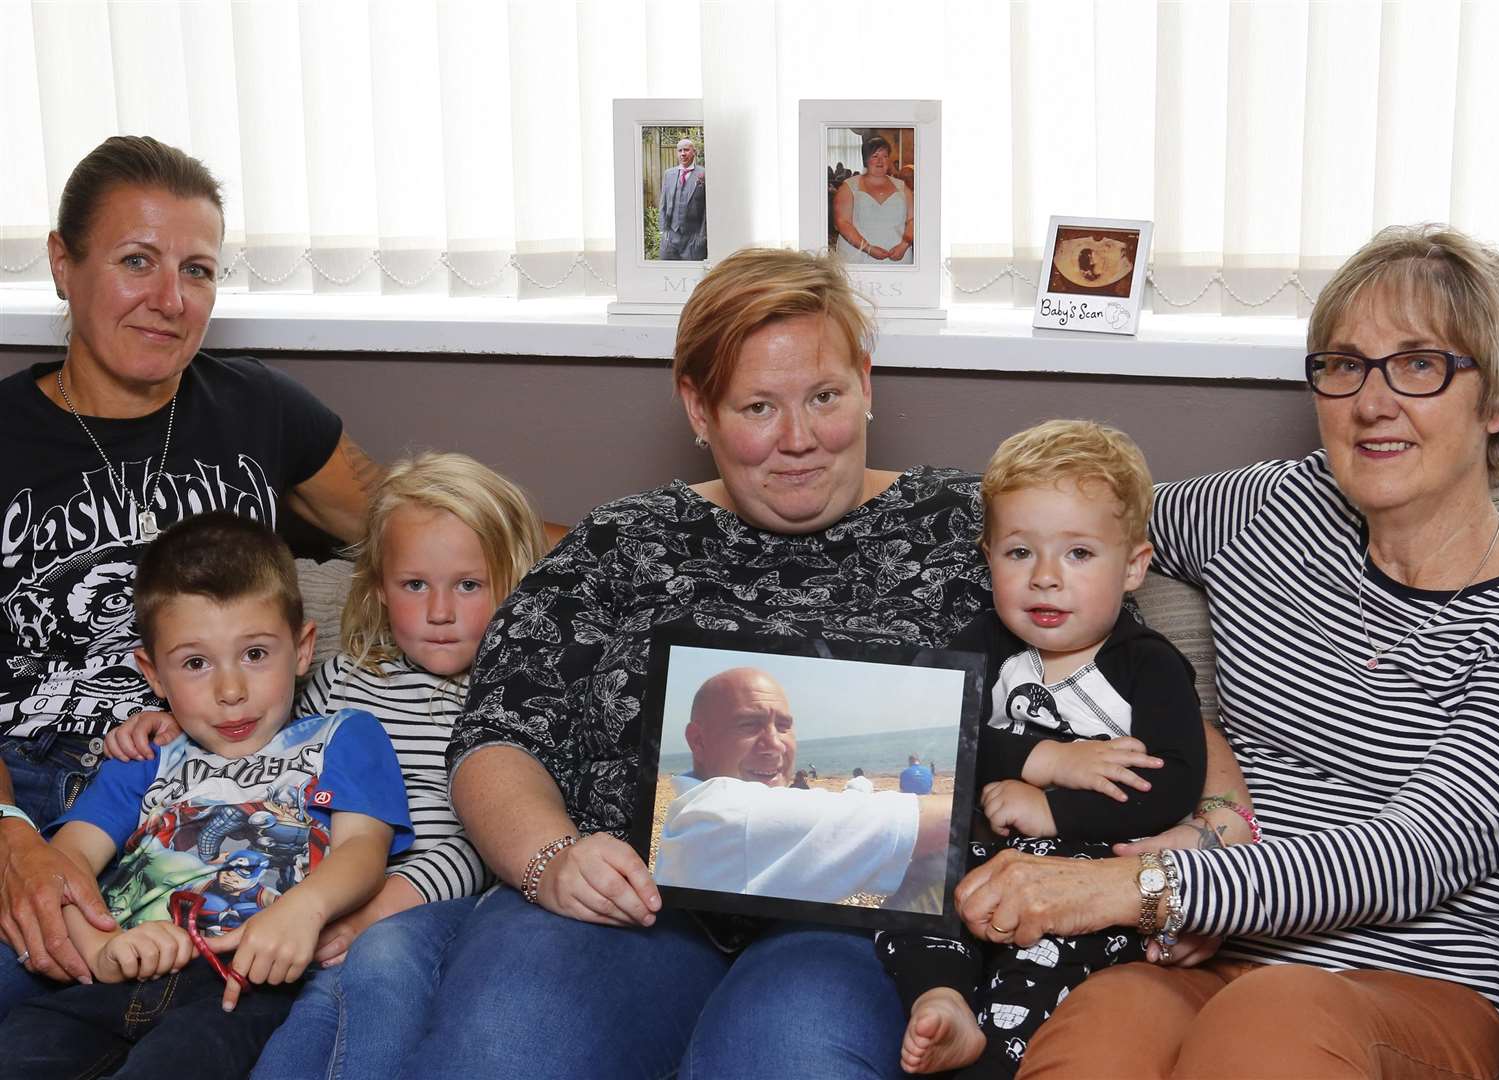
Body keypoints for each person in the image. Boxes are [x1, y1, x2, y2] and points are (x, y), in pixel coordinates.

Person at [365, 247, 1234, 1080]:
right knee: (511, 1037)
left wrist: (1199, 856)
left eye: (823, 395)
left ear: (866, 383)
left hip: (863, 930)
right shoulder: (622, 543)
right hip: (621, 906)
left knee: (789, 1047)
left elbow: (1124, 689)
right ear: (698, 409)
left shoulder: (976, 529)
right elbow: (497, 732)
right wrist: (549, 858)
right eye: (756, 408)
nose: (797, 440)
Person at [956, 225, 1499, 1079]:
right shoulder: (1273, 508)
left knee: (1274, 1017)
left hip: (1413, 988)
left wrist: (1144, 888)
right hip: (1207, 958)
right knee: (1102, 1024)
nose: (1370, 403)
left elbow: (1409, 856)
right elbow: (1077, 525)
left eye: (1419, 365)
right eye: (1344, 365)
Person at [0, 135, 378, 1001]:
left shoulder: (259, 406)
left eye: (199, 271)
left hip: (210, 786)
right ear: (64, 263)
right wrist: (11, 836)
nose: (171, 300)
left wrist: (634, 528)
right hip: (30, 787)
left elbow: (432, 528)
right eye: (138, 261)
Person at [101, 452, 546, 1078]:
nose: (440, 611)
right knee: (287, 1011)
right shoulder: (342, 681)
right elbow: (256, 733)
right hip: (313, 887)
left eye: (468, 585)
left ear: (515, 585)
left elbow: (478, 840)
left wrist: (380, 906)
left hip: (422, 898)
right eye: (415, 585)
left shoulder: (515, 701)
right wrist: (174, 723)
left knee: (379, 965)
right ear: (379, 588)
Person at [0, 513, 411, 1079]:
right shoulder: (146, 755)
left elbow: (363, 849)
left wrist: (303, 908)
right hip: (115, 974)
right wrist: (100, 950)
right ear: (155, 675)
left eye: (256, 654)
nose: (231, 691)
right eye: (195, 663)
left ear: (301, 649)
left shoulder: (343, 736)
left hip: (244, 985)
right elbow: (65, 862)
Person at [877, 420, 1208, 1078]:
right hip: (974, 855)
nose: (1045, 578)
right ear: (987, 556)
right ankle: (941, 999)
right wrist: (1040, 761)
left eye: (1079, 554)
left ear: (1133, 566)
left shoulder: (1146, 667)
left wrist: (1054, 812)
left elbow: (1172, 783)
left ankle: (992, 1054)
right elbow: (927, 739)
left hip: (1079, 873)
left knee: (1042, 972)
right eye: (1019, 553)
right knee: (906, 891)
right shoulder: (982, 646)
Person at [653, 667, 951, 904]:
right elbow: (943, 822)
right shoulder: (731, 813)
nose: (774, 745)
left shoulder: (690, 807)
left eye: (783, 726)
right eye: (748, 725)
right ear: (698, 741)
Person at [833, 135, 914, 265]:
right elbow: (842, 222)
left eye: (885, 156)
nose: (880, 161)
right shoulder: (848, 186)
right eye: (875, 156)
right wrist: (868, 248)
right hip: (857, 256)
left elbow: (913, 220)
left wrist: (904, 245)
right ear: (865, 159)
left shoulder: (902, 187)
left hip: (898, 256)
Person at [658, 136, 706, 261]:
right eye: (680, 151)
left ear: (694, 152)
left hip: (692, 239)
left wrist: (702, 237)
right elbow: (663, 203)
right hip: (670, 238)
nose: (683, 154)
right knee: (667, 274)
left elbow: (708, 209)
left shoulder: (704, 174)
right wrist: (663, 232)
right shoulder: (669, 174)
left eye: (686, 150)